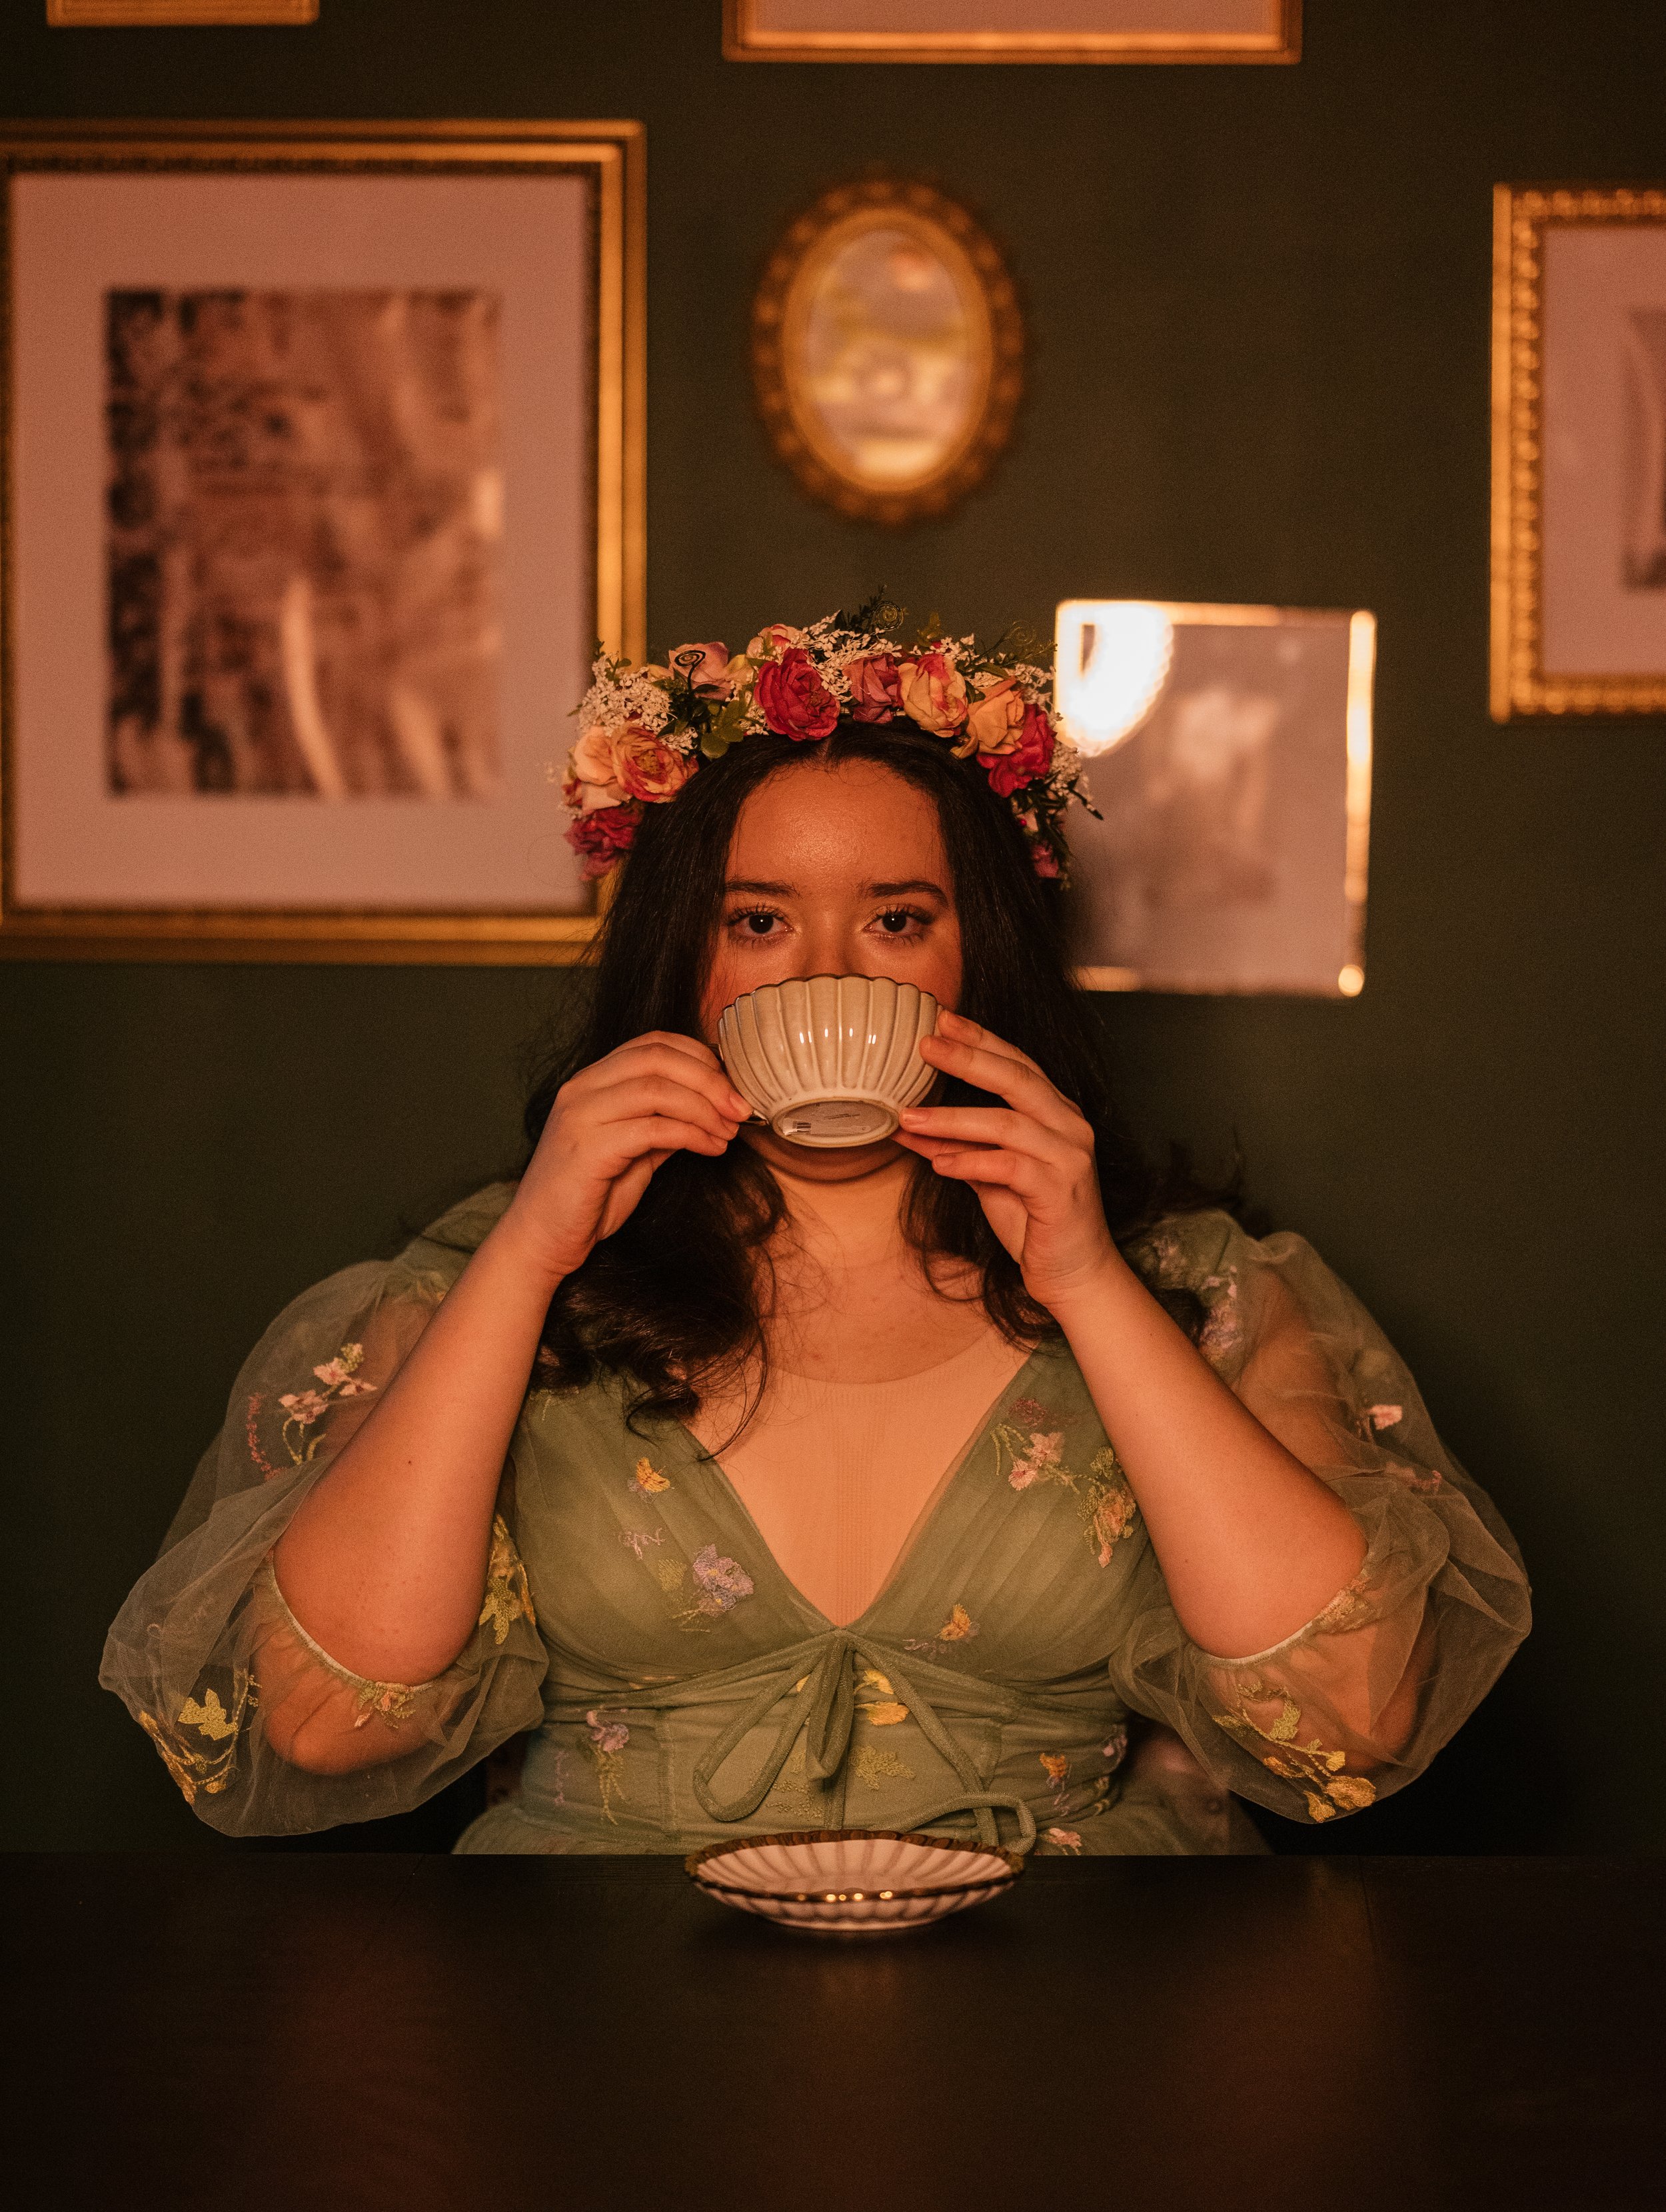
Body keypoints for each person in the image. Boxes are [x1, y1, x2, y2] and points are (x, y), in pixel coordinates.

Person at [103, 607, 1531, 1854]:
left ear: (976, 954)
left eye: (897, 919)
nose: (831, 971)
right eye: (760, 922)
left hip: (1065, 2006)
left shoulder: (1193, 1287)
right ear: (681, 959)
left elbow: (1347, 1711)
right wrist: (529, 1254)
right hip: (594, 2001)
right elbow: (317, 1716)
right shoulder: (500, 1278)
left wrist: (1089, 1282)